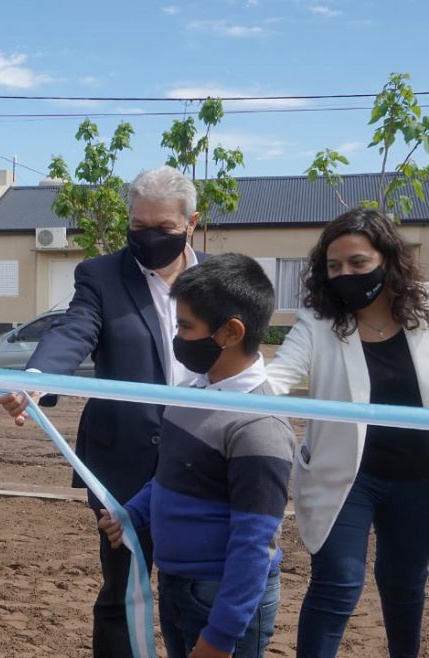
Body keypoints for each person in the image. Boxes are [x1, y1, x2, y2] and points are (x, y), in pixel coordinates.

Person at [0, 164, 205, 657]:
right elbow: (75, 330)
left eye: (164, 230)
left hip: (200, 463)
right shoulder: (100, 275)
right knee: (122, 591)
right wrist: (35, 381)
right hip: (122, 465)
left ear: (192, 224)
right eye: (138, 228)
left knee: (196, 593)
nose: (149, 238)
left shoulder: (219, 277)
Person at [100, 253, 292, 658]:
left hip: (221, 598)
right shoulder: (193, 394)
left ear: (230, 332)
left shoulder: (259, 427)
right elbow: (172, 476)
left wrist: (220, 637)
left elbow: (254, 543)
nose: (177, 338)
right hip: (178, 584)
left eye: (186, 327)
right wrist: (133, 512)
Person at [265, 208, 429, 658]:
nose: (345, 275)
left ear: (387, 259)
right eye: (334, 267)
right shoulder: (317, 321)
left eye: (358, 263)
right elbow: (278, 377)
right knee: (337, 583)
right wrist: (226, 390)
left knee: (405, 585)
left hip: (420, 478)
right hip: (348, 477)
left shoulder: (426, 308)